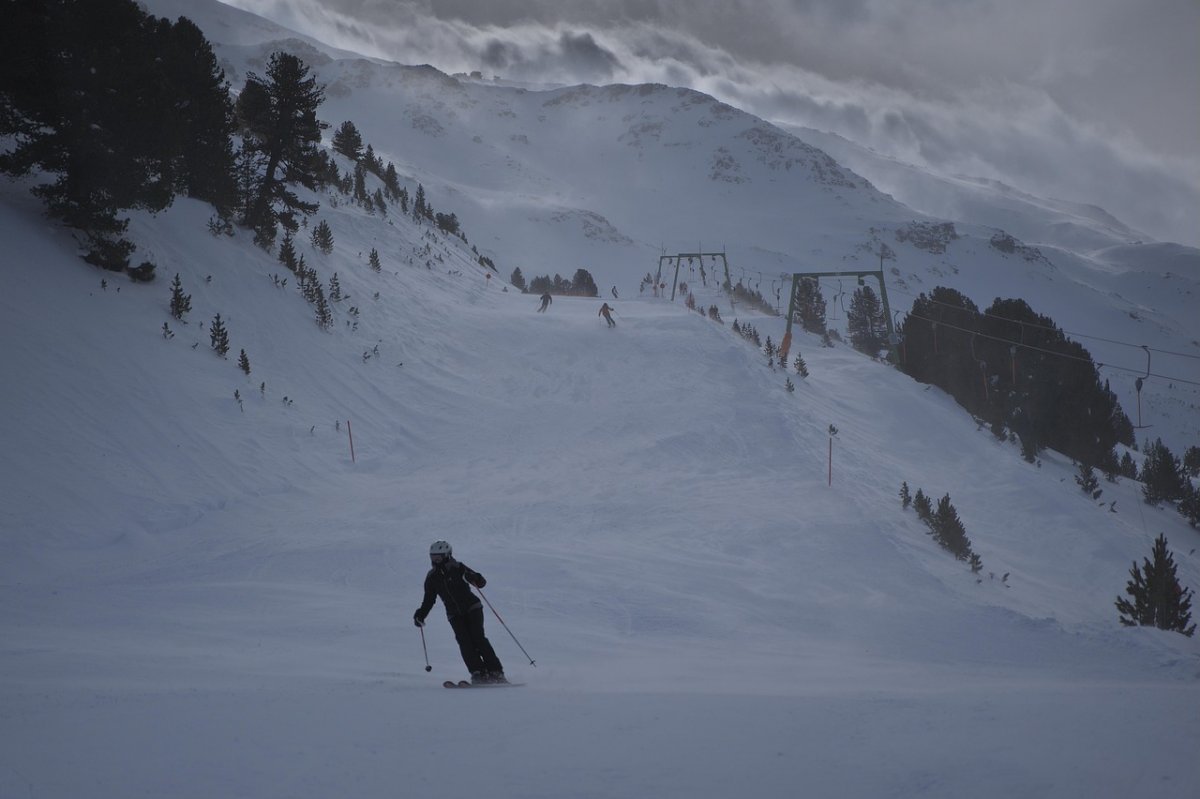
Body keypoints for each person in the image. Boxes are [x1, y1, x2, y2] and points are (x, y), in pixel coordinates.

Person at [414, 541, 506, 684]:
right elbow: (429, 600)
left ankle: (496, 672)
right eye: (432, 557)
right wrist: (421, 614)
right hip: (454, 614)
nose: (435, 561)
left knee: (478, 638)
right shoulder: (432, 577)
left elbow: (481, 582)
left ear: (447, 555)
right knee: (464, 642)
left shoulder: (458, 568)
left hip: (472, 608)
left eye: (438, 557)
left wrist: (473, 578)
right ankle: (478, 673)